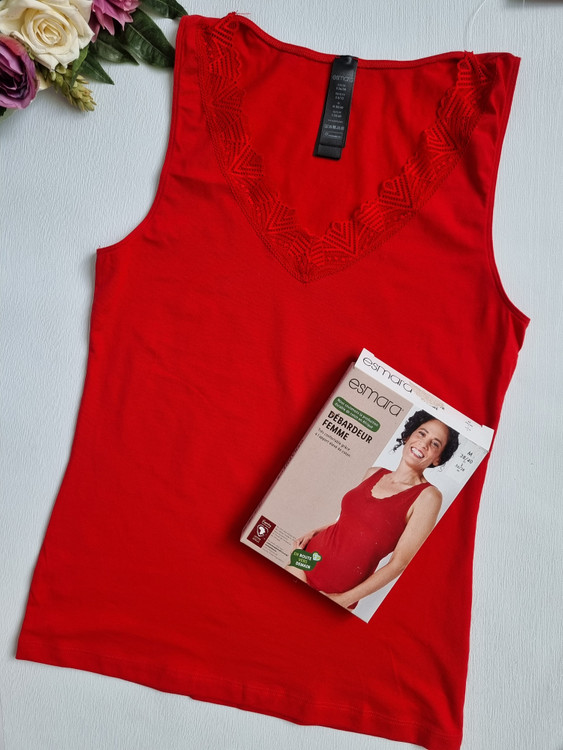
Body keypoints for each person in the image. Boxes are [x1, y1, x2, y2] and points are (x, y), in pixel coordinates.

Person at [288, 411, 460, 610]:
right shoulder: (374, 472)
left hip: (338, 592)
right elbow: (348, 522)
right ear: (408, 436)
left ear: (438, 459)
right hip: (305, 562)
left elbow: (399, 563)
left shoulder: (428, 497)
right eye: (422, 433)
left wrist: (343, 600)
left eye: (435, 443)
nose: (424, 443)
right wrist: (313, 532)